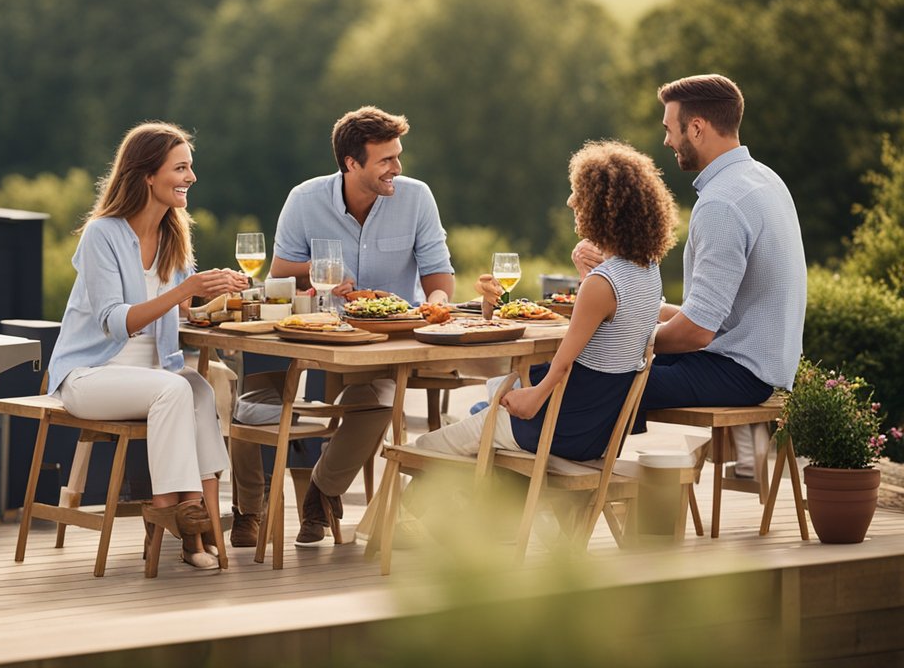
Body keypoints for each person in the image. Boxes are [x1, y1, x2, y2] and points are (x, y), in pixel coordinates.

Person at [229, 105, 456, 548]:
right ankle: (248, 511)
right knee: (251, 395)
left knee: (377, 400)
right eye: (386, 160)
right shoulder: (305, 199)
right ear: (351, 164)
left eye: (398, 155)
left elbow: (438, 271)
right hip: (311, 332)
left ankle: (322, 492)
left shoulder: (416, 197)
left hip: (382, 340)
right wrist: (318, 269)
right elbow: (278, 271)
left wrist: (437, 304)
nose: (397, 168)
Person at [572, 74, 806, 478]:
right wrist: (642, 311)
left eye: (669, 128)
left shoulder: (720, 205)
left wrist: (626, 337)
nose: (666, 140)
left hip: (739, 374)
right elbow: (715, 315)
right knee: (599, 373)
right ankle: (587, 481)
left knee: (596, 381)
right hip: (764, 364)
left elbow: (698, 332)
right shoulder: (765, 180)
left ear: (696, 128)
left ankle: (567, 487)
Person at [47, 122, 245, 570]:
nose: (191, 177)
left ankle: (201, 524)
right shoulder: (103, 234)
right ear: (146, 176)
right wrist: (185, 289)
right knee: (173, 389)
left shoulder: (174, 235)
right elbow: (116, 322)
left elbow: (168, 316)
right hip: (88, 375)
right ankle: (177, 512)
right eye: (180, 168)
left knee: (197, 388)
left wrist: (210, 303)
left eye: (190, 168)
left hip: (152, 376)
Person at [417, 140, 678, 463]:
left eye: (578, 194)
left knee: (426, 448)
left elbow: (564, 362)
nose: (570, 201)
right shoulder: (648, 271)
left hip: (554, 430)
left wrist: (533, 399)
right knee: (482, 414)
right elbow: (603, 341)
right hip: (596, 434)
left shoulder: (603, 283)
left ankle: (414, 514)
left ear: (603, 206)